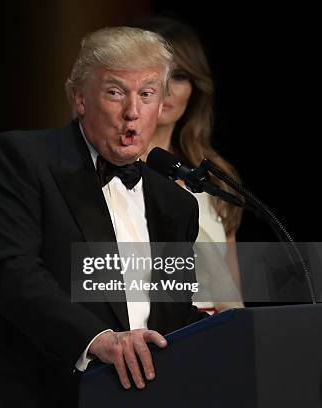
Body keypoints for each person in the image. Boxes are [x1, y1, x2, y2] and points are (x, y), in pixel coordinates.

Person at [0, 27, 207, 408]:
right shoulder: (19, 159)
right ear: (79, 98)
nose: (132, 111)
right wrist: (98, 339)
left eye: (146, 94)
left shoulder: (175, 203)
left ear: (161, 104)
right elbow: (10, 271)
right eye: (115, 92)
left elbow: (172, 312)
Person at [134, 17, 244, 312]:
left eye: (180, 76)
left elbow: (232, 297)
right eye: (155, 73)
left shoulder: (215, 177)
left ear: (195, 88)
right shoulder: (107, 171)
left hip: (217, 342)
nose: (167, 89)